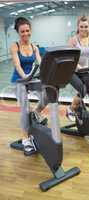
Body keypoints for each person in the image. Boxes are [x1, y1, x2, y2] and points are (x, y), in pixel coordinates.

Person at [10, 17, 47, 155]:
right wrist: (25, 77)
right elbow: (17, 65)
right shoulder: (15, 46)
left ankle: (36, 112)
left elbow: (41, 64)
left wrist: (47, 74)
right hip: (18, 81)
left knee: (48, 95)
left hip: (31, 80)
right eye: (22, 31)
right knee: (25, 108)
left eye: (27, 30)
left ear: (30, 30)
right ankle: (25, 138)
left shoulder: (34, 47)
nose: (25, 34)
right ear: (18, 33)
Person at [67, 15, 89, 121]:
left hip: (84, 71)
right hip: (72, 70)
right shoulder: (73, 40)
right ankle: (71, 109)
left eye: (86, 27)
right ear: (78, 27)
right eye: (81, 26)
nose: (83, 29)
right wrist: (79, 67)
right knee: (83, 89)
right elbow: (70, 58)